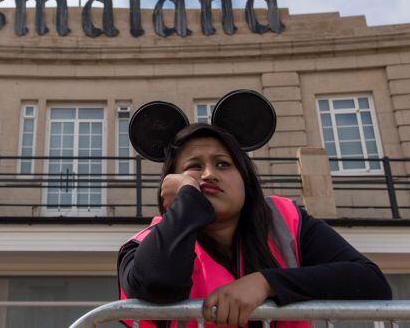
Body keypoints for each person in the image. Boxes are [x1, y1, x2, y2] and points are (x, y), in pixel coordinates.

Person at [118, 123, 392, 328]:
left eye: (223, 164)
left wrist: (266, 283)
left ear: (245, 179)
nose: (210, 174)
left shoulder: (286, 222)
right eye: (194, 166)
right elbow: (157, 284)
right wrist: (187, 199)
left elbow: (371, 283)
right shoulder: (143, 245)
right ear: (171, 185)